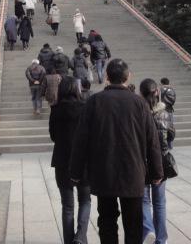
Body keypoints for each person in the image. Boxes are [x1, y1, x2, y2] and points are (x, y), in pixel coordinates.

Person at [70, 59, 163, 244]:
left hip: (104, 171)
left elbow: (81, 140)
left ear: (106, 76)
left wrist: (75, 171)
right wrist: (157, 172)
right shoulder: (139, 103)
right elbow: (153, 141)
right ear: (128, 77)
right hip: (133, 172)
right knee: (134, 224)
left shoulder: (94, 102)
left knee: (106, 220)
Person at [49, 77, 91, 244]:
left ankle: (68, 241)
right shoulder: (85, 108)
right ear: (76, 89)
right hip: (83, 161)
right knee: (85, 200)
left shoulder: (55, 109)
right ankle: (80, 237)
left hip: (62, 160)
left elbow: (53, 136)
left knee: (67, 205)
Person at [139, 79, 174, 244]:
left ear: (141, 93)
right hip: (161, 162)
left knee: (144, 200)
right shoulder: (165, 113)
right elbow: (171, 136)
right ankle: (161, 239)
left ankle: (148, 230)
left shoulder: (139, 114)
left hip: (143, 161)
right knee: (160, 203)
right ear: (157, 93)